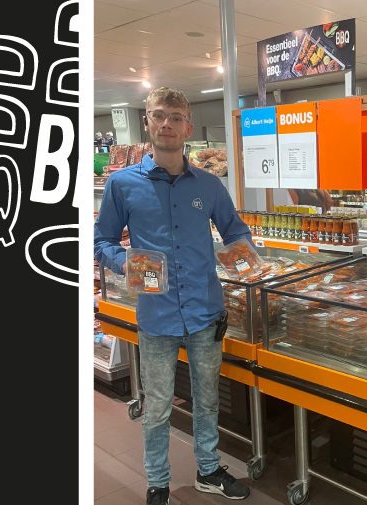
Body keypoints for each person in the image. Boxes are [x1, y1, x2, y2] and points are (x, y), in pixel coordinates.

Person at [94, 87, 252, 505]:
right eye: (159, 115)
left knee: (208, 399)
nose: (167, 124)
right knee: (159, 404)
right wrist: (126, 262)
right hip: (157, 315)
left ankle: (208, 470)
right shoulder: (122, 184)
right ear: (147, 122)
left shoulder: (209, 185)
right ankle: (158, 482)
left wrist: (242, 257)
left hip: (205, 312)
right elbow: (101, 240)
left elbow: (235, 230)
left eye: (176, 117)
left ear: (188, 127)